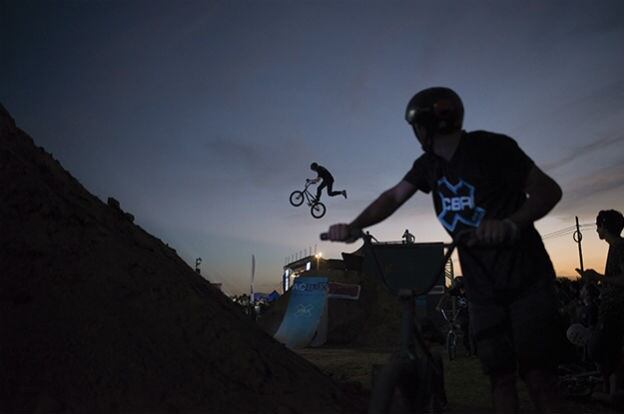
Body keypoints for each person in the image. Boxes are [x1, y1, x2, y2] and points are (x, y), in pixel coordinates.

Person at [322, 87, 565, 414]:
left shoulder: (493, 147)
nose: (415, 134)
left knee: (538, 376)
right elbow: (393, 197)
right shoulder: (428, 166)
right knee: (500, 377)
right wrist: (354, 227)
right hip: (481, 286)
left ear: (426, 125)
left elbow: (548, 190)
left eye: (415, 127)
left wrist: (510, 223)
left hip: (526, 277)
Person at [577, 209, 624, 407]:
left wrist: (598, 277)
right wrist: (595, 282)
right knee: (611, 352)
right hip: (612, 309)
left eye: (598, 226)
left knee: (602, 349)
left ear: (604, 225)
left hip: (617, 312)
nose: (597, 230)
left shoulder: (620, 247)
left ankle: (611, 394)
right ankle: (610, 391)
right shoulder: (615, 247)